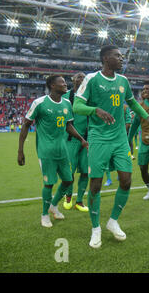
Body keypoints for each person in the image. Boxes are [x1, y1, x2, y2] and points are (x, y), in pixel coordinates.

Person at [73, 45, 149, 248]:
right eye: (117, 56)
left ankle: (112, 221)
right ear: (105, 58)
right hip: (99, 138)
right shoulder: (92, 79)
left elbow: (132, 103)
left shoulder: (123, 81)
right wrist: (95, 110)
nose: (121, 59)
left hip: (119, 138)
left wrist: (147, 117)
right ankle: (95, 228)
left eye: (122, 56)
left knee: (126, 181)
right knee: (96, 185)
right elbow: (77, 106)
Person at [17, 75, 88, 228]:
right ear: (52, 86)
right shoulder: (40, 103)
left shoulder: (67, 103)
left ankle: (53, 206)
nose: (65, 84)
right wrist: (20, 151)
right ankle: (44, 215)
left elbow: (68, 125)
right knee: (49, 184)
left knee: (68, 180)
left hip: (62, 150)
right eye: (61, 82)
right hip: (46, 151)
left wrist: (81, 139)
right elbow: (25, 125)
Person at [61, 72, 89, 212]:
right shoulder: (65, 96)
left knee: (86, 171)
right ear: (73, 80)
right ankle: (68, 197)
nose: (82, 79)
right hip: (71, 139)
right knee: (69, 172)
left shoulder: (90, 97)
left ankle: (79, 201)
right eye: (79, 77)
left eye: (84, 78)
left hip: (88, 140)